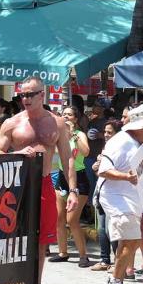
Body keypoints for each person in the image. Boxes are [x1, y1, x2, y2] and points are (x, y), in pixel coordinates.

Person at [0, 76, 79, 284]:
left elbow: (68, 159)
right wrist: (17, 154)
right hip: (17, 186)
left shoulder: (57, 123)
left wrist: (73, 190)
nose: (26, 99)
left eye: (30, 94)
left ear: (42, 94)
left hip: (44, 184)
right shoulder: (12, 123)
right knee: (11, 238)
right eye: (22, 95)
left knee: (41, 241)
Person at [98, 104, 143, 284]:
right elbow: (103, 170)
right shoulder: (121, 142)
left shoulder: (139, 142)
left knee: (132, 242)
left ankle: (117, 282)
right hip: (116, 197)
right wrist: (126, 176)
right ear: (142, 125)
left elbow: (136, 168)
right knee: (130, 241)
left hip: (130, 197)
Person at [48, 106, 92, 267]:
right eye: (63, 114)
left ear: (76, 118)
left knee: (72, 220)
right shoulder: (58, 134)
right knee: (59, 218)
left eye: (69, 114)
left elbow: (86, 152)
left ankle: (83, 255)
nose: (66, 117)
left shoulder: (80, 134)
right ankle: (63, 252)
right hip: (62, 177)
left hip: (79, 178)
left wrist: (73, 135)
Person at [90, 119, 122, 271]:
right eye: (105, 132)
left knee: (112, 229)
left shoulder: (121, 149)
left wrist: (102, 167)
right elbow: (101, 173)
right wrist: (96, 167)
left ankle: (118, 262)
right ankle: (104, 260)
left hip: (114, 194)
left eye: (110, 132)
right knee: (102, 229)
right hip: (101, 190)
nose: (106, 135)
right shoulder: (105, 148)